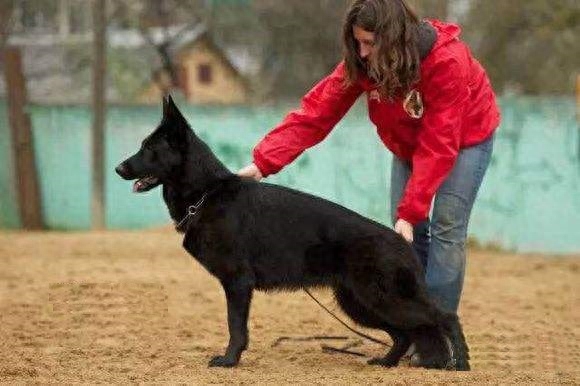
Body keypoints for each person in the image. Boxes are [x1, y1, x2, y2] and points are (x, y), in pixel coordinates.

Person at [238, 0, 500, 315]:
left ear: (393, 38)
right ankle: (415, 323)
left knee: (446, 226)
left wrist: (411, 209)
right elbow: (316, 114)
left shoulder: (447, 62)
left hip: (465, 140)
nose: (362, 53)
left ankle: (442, 333)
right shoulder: (362, 63)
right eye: (357, 42)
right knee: (406, 233)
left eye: (369, 43)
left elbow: (439, 143)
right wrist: (262, 163)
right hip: (409, 144)